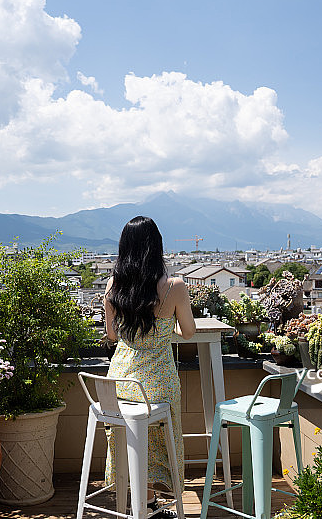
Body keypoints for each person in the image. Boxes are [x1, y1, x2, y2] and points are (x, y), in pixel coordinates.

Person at [104, 215, 196, 517]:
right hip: (156, 384)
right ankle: (153, 502)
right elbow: (189, 331)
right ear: (156, 247)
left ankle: (143, 502)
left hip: (117, 386)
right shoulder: (174, 286)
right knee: (157, 431)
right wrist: (167, 328)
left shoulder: (113, 284)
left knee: (132, 432)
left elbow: (113, 335)